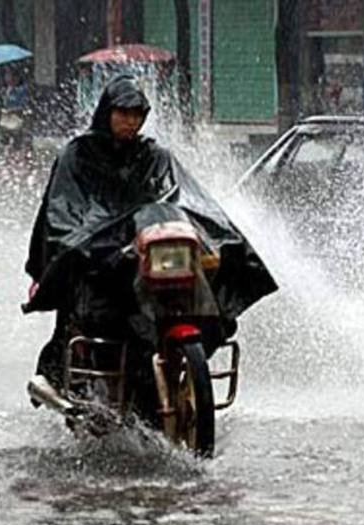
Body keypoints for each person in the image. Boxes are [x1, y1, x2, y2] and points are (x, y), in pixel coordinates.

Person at [24, 74, 276, 388]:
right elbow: (61, 212)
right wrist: (84, 243)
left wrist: (219, 235)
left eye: (137, 116)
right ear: (107, 113)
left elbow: (186, 199)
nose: (131, 122)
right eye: (123, 114)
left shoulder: (156, 156)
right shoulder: (77, 155)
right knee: (94, 306)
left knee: (208, 297)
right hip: (103, 257)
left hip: (152, 253)